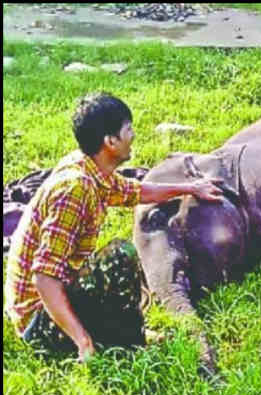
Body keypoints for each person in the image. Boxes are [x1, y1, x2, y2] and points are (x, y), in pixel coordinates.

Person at [3, 92, 224, 363]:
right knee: (120, 257)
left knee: (115, 265)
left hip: (57, 293)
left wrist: (189, 187)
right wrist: (82, 341)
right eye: (128, 130)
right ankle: (114, 341)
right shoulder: (75, 190)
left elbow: (134, 190)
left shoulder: (91, 166)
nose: (133, 135)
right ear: (110, 142)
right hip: (37, 324)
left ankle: (121, 334)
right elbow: (44, 279)